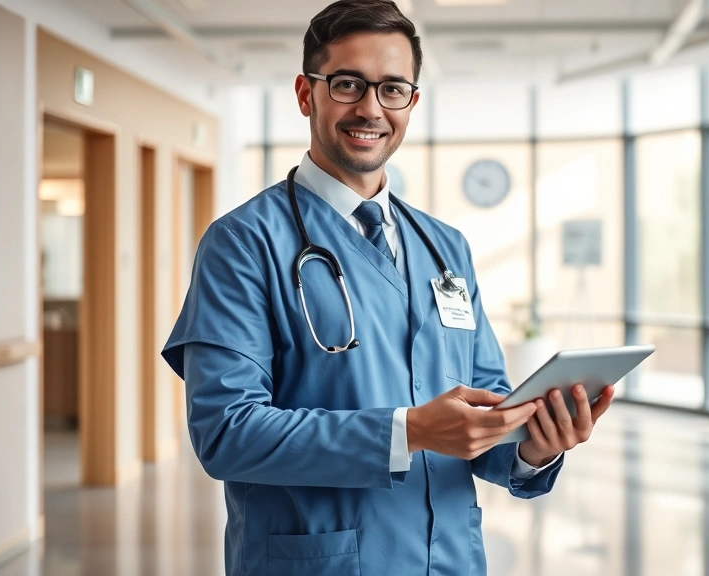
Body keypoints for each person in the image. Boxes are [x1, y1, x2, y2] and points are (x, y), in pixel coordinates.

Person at [161, 1, 615, 574]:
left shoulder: (445, 247)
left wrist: (533, 446)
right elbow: (227, 432)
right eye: (348, 84)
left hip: (448, 559)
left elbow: (487, 401)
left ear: (412, 102)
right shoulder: (243, 243)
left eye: (393, 89)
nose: (371, 108)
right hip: (319, 562)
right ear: (306, 94)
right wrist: (410, 429)